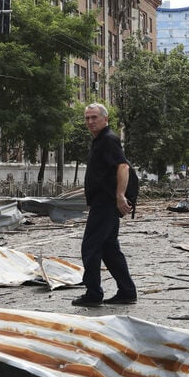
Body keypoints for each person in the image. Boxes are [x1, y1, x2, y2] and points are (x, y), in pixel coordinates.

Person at [71, 104, 138, 307]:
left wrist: (119, 196)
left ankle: (93, 294)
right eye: (87, 118)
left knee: (90, 247)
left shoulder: (109, 139)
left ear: (105, 119)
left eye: (94, 117)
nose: (90, 122)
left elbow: (123, 167)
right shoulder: (100, 140)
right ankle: (127, 291)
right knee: (109, 249)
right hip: (104, 202)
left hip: (106, 202)